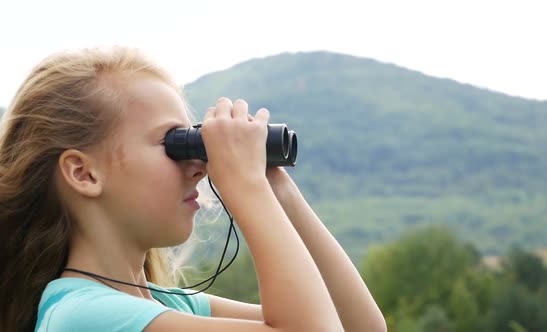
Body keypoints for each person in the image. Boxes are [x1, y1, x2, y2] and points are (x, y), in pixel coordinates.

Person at [0, 46, 386, 332]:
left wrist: (273, 185)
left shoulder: (160, 304)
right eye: (173, 143)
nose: (199, 167)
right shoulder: (84, 316)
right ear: (84, 174)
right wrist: (248, 188)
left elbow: (359, 326)